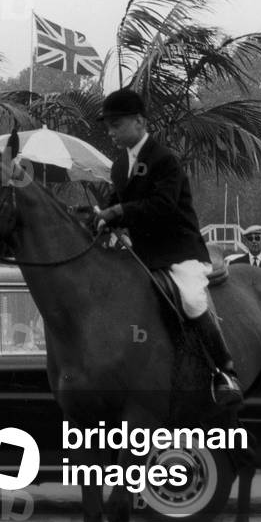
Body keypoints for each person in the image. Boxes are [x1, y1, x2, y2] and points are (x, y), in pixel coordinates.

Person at [94, 88, 242, 407]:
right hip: (143, 253)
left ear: (139, 121)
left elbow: (162, 205)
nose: (111, 131)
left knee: (190, 299)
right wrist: (100, 218)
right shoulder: (120, 166)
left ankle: (224, 371)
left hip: (178, 249)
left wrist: (118, 213)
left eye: (116, 124)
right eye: (108, 125)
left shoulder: (164, 159)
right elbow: (115, 203)